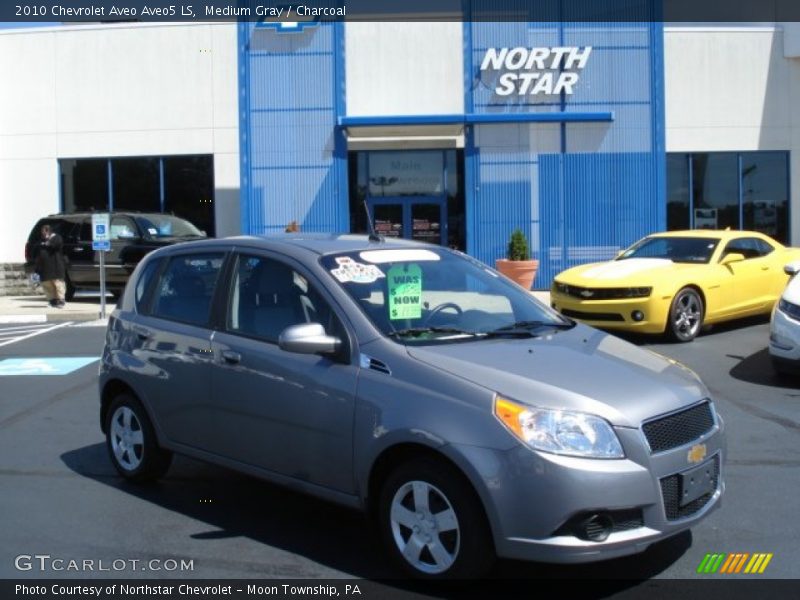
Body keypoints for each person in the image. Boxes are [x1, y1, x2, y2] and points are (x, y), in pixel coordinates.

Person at [35, 224, 67, 308]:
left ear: (49, 231)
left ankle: (61, 301)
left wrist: (46, 243)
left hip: (56, 266)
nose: (43, 234)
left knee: (58, 284)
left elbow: (53, 245)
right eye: (42, 233)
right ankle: (52, 301)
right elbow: (37, 249)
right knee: (47, 284)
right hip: (45, 267)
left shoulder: (57, 238)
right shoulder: (41, 240)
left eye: (45, 232)